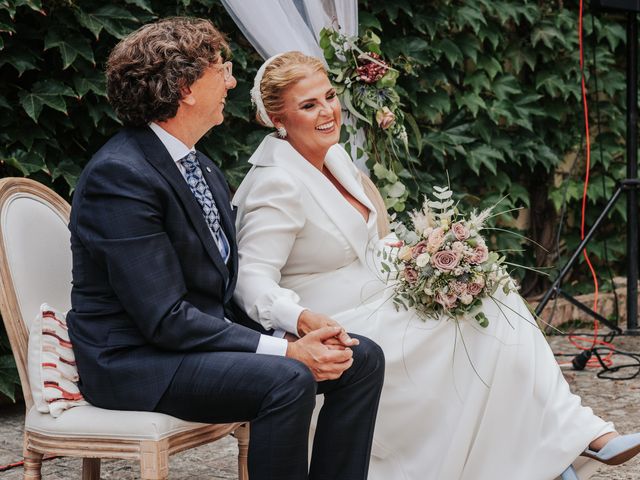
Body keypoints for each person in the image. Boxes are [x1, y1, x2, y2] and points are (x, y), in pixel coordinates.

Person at [232, 50, 640, 480]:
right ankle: (560, 452)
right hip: (331, 315)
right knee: (469, 326)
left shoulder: (333, 158)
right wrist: (301, 319)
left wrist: (423, 257)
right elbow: (250, 280)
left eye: (330, 97)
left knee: (491, 287)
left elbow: (364, 244)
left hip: (377, 292)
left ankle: (569, 437)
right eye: (308, 105)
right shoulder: (275, 181)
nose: (327, 111)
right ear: (277, 118)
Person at [67, 19, 385, 480]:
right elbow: (164, 318)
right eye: (222, 69)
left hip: (193, 346)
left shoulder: (199, 166)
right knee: (288, 378)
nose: (234, 82)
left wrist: (296, 324)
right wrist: (284, 353)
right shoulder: (120, 177)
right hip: (137, 361)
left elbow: (220, 291)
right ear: (185, 87)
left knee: (360, 356)